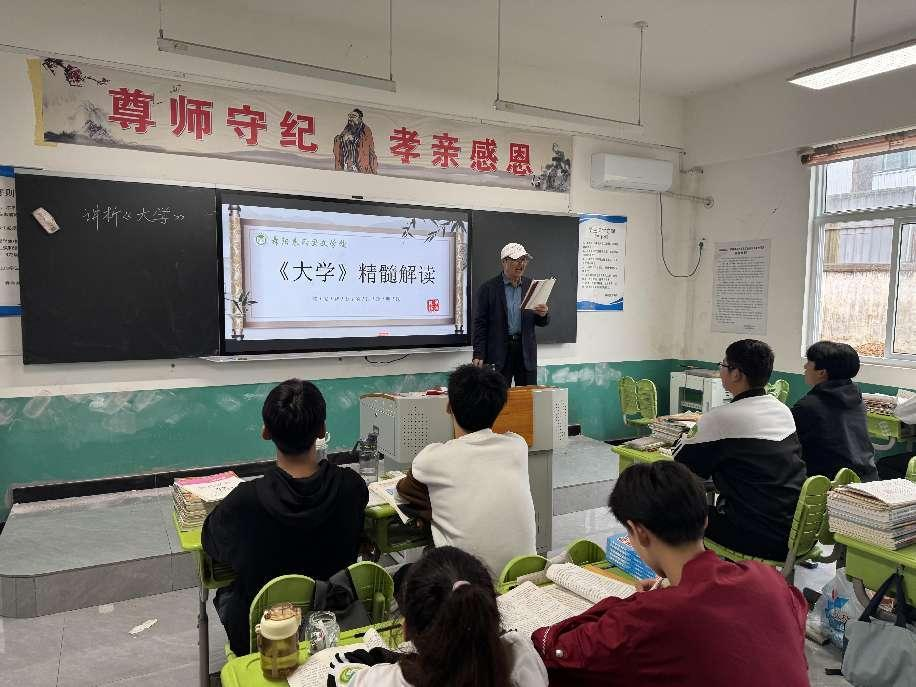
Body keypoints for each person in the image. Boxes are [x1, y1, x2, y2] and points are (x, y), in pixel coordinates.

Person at [531, 461, 809, 687]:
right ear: (705, 520)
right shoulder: (768, 578)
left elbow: (555, 651)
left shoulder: (653, 615)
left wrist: (634, 604)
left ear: (639, 532)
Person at [202, 379, 369, 656]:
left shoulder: (245, 502)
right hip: (333, 624)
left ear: (265, 432)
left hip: (267, 637)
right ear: (322, 430)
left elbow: (211, 542)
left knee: (229, 594)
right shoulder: (352, 487)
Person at [327, 546, 548, 687]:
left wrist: (395, 658)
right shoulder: (521, 657)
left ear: (406, 629)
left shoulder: (388, 681)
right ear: (488, 614)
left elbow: (338, 671)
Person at [396, 364, 536, 578]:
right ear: (499, 408)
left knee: (404, 575)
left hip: (467, 586)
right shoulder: (517, 446)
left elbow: (402, 494)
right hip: (523, 578)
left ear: (449, 407)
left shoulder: (432, 459)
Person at [674, 339, 806, 561]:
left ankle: (693, 574)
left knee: (674, 508)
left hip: (754, 536)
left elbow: (682, 461)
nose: (721, 370)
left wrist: (687, 436)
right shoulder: (782, 410)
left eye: (723, 365)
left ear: (736, 374)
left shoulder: (721, 418)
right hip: (793, 532)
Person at [792, 341, 878, 482]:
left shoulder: (808, 406)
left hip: (830, 485)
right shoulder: (857, 400)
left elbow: (788, 448)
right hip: (867, 479)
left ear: (822, 372)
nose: (805, 366)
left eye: (809, 362)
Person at [472, 242, 550, 386]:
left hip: (525, 352)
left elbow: (541, 322)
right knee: (498, 395)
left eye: (524, 260)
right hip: (498, 353)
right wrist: (478, 353)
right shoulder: (488, 288)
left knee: (527, 396)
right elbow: (480, 324)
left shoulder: (532, 286)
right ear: (504, 262)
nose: (521, 264)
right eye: (516, 260)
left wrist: (543, 314)